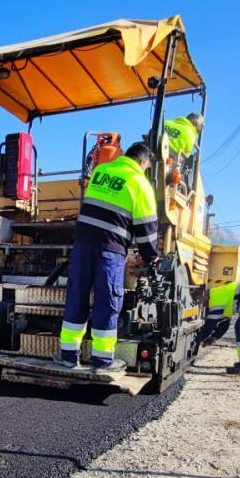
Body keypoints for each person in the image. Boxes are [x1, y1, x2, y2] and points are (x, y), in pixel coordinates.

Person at [57, 142, 160, 373]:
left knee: (77, 296)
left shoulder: (101, 171)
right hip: (110, 250)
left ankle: (68, 356)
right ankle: (102, 361)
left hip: (82, 245)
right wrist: (151, 256)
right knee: (107, 300)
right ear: (143, 163)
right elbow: (147, 226)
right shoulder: (140, 183)